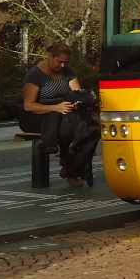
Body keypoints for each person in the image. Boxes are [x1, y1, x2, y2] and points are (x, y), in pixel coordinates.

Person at [19, 42, 98, 188]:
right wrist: (56, 107)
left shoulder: (67, 73)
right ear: (51, 56)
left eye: (65, 62)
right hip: (40, 113)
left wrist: (77, 103)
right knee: (70, 129)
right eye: (59, 61)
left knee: (91, 129)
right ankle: (69, 165)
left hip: (65, 112)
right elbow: (28, 105)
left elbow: (77, 93)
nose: (62, 66)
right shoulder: (35, 75)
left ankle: (71, 168)